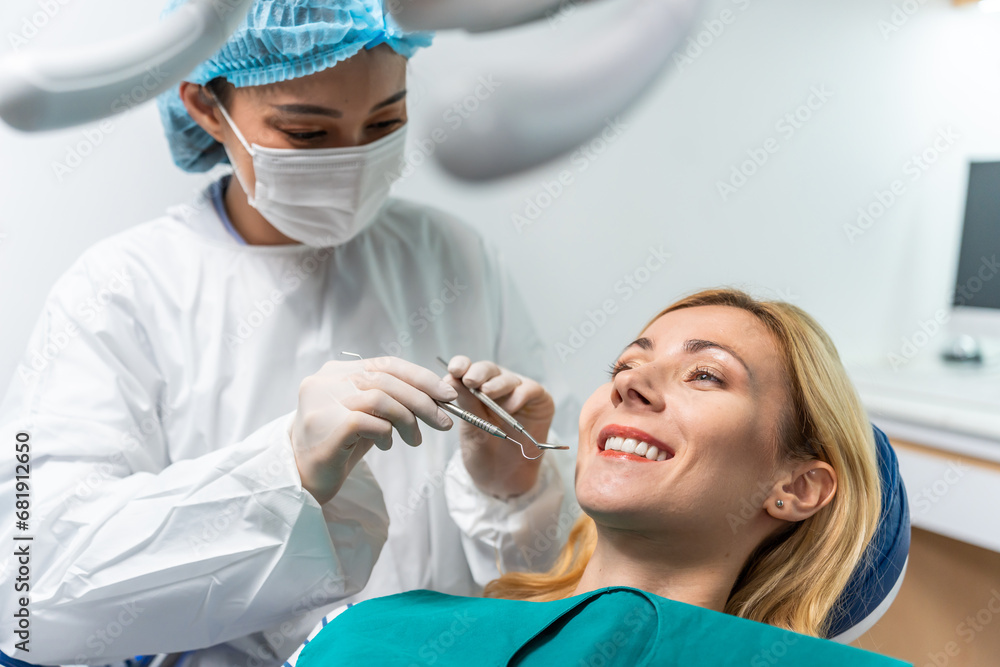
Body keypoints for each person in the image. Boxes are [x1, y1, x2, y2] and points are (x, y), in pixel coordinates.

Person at [0, 2, 567, 664]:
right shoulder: (119, 290)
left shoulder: (452, 257)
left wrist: (516, 491)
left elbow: (553, 582)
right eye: (307, 133)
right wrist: (282, 473)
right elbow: (28, 588)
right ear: (207, 108)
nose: (354, 159)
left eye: (384, 122)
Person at [291, 288, 905, 666]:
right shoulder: (372, 635)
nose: (627, 382)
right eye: (626, 362)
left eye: (706, 375)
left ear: (796, 488)